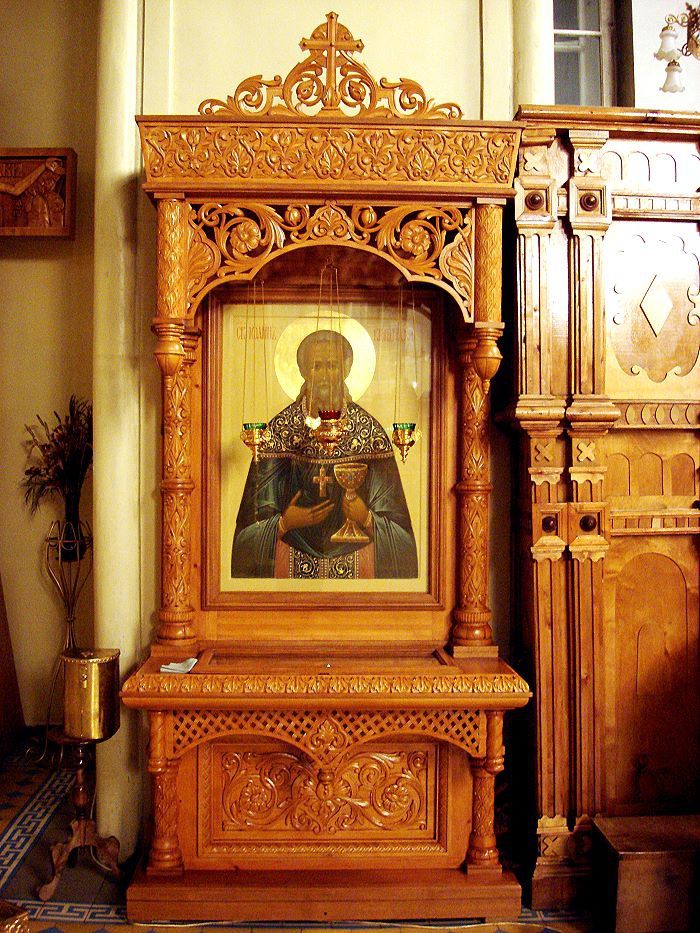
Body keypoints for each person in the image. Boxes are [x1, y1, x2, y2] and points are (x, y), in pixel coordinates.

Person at [231, 329, 418, 579]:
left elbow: (403, 540)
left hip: (359, 562)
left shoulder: (369, 432)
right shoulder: (280, 431)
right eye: (317, 366)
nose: (325, 376)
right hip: (289, 559)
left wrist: (367, 519)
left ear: (345, 371)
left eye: (332, 366)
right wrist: (284, 523)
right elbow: (246, 538)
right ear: (304, 371)